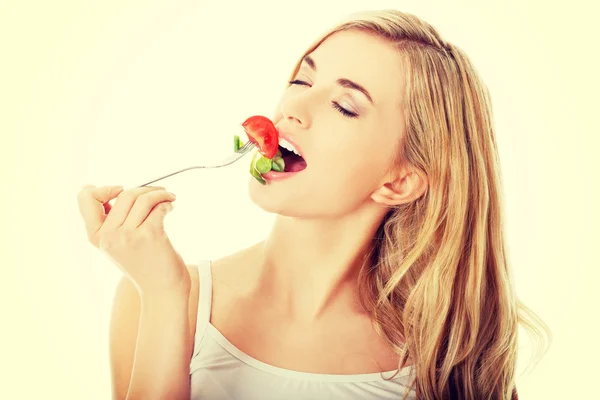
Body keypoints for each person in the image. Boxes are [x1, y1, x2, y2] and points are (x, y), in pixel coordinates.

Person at [77, 9, 549, 400]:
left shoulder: (442, 354)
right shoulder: (157, 295)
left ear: (399, 181)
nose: (291, 111)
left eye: (344, 105)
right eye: (303, 81)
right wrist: (164, 297)